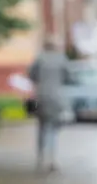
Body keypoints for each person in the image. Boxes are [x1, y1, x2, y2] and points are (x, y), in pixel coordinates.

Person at [27, 37, 70, 173]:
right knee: (53, 128)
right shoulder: (62, 59)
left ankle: (40, 158)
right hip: (57, 98)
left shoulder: (39, 59)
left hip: (41, 96)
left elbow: (31, 75)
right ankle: (52, 159)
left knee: (41, 127)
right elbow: (68, 77)